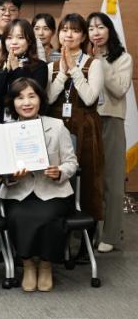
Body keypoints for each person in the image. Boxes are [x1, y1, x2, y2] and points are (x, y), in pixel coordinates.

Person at [0, 77, 77, 292]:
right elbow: (1, 171)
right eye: (20, 98)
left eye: (31, 96)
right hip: (19, 191)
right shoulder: (5, 131)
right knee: (18, 216)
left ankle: (45, 264)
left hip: (52, 190)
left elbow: (72, 162)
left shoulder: (57, 126)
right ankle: (28, 265)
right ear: (12, 103)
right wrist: (11, 177)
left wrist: (59, 172)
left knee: (49, 216)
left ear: (40, 99)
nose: (26, 102)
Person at [46, 13, 104, 222]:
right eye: (64, 30)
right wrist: (62, 73)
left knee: (87, 178)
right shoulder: (50, 66)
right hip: (56, 125)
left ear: (83, 36)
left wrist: (74, 69)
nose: (68, 35)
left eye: (75, 30)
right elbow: (48, 99)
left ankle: (84, 233)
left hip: (85, 128)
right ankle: (56, 225)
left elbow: (89, 98)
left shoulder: (93, 64)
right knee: (55, 176)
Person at [87, 12, 133, 253]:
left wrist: (100, 61)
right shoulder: (84, 56)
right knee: (91, 180)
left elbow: (119, 90)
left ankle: (112, 234)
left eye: (100, 27)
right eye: (91, 28)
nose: (95, 32)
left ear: (109, 30)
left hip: (111, 120)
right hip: (87, 121)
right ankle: (92, 231)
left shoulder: (122, 58)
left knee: (112, 181)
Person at [0, 19, 48, 123]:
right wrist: (6, 70)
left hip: (30, 121)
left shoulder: (39, 66)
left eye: (20, 37)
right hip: (3, 122)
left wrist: (16, 70)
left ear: (29, 41)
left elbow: (34, 96)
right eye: (9, 38)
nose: (14, 42)